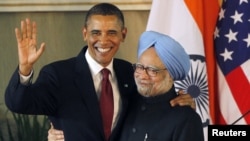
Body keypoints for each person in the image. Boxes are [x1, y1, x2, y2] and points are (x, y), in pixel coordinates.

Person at [5, 3, 196, 141]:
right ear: (85, 33)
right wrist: (25, 68)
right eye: (96, 32)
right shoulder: (58, 74)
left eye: (112, 32)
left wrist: (182, 102)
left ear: (123, 34)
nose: (103, 41)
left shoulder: (128, 73)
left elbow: (151, 101)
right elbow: (19, 103)